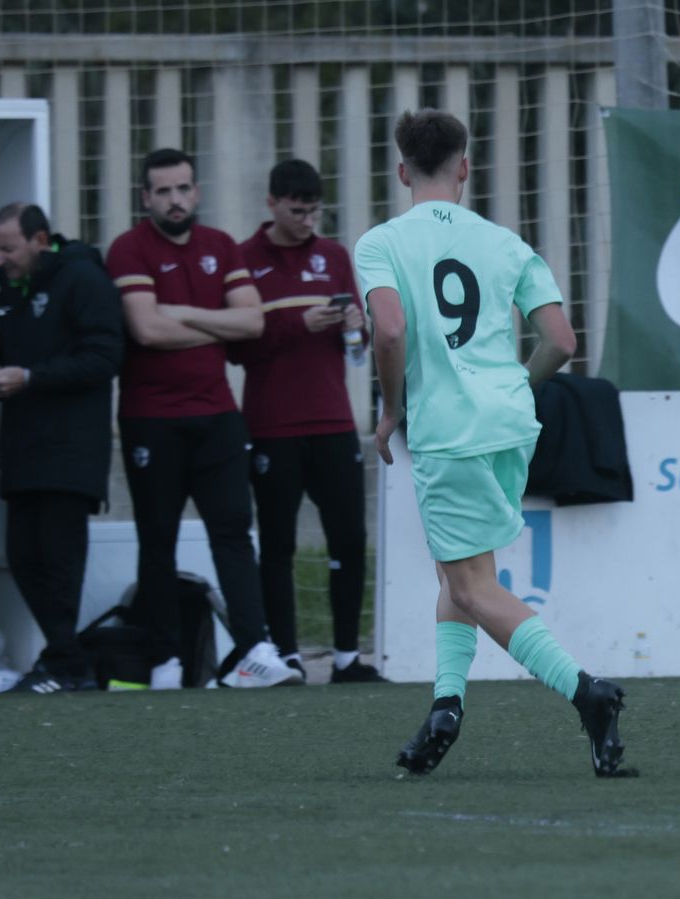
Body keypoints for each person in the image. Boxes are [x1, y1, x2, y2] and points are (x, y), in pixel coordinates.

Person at [356, 108, 629, 777]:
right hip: (508, 424)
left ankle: (588, 693)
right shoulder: (506, 242)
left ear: (400, 171)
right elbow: (562, 341)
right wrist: (514, 384)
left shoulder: (380, 243)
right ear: (466, 168)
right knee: (464, 571)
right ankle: (445, 708)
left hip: (449, 428)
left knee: (474, 583)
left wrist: (392, 410)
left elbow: (388, 332)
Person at [107, 148, 300, 689]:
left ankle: (253, 649)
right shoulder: (128, 249)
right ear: (146, 198)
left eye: (183, 188)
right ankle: (165, 659)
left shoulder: (219, 245)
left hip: (218, 416)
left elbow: (255, 323)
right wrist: (220, 325)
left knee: (234, 535)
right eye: (163, 191)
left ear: (196, 191)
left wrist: (186, 313)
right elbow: (147, 331)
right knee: (158, 540)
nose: (175, 200)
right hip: (152, 420)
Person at [233, 159, 383, 684]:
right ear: (272, 204)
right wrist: (298, 324)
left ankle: (346, 657)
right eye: (297, 211)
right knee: (277, 546)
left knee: (348, 538)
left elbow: (359, 347)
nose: (307, 221)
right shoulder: (244, 259)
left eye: (315, 211)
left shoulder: (334, 256)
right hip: (273, 425)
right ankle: (287, 655)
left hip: (334, 421)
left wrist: (355, 327)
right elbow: (238, 348)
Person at [0, 203, 121, 693]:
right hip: (23, 450)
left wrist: (31, 377)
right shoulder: (11, 290)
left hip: (69, 450)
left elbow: (105, 357)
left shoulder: (83, 279)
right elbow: (16, 357)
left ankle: (67, 665)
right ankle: (67, 659)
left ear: (40, 240)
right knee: (23, 557)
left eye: (7, 248)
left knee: (59, 563)